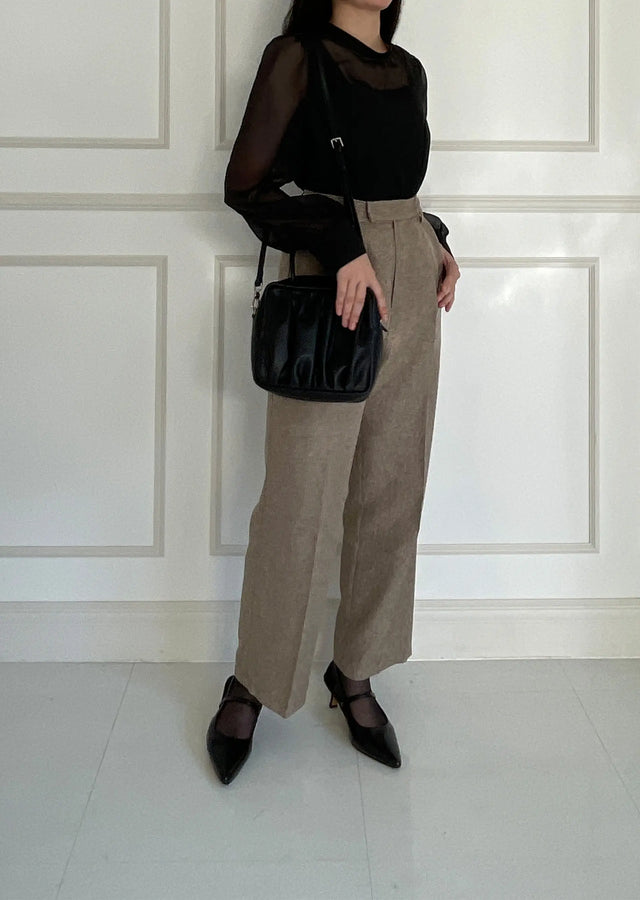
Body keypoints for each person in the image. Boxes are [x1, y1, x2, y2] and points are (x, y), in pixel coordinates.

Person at [207, 0, 461, 785]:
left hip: (412, 277)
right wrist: (341, 244)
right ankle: (254, 678)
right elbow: (247, 187)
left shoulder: (408, 70)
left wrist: (435, 239)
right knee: (300, 496)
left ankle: (356, 668)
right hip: (333, 284)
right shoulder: (297, 57)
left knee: (392, 486)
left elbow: (392, 181)